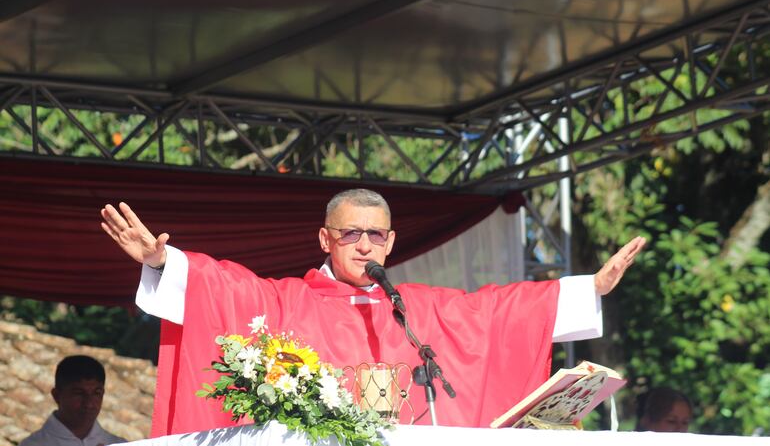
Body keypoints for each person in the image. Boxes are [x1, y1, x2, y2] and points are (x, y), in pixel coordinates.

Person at [100, 188, 646, 435]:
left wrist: (587, 288)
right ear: (325, 239)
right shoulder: (286, 301)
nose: (364, 246)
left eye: (375, 235)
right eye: (351, 234)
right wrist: (162, 261)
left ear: (390, 242)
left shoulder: (419, 311)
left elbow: (498, 313)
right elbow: (221, 288)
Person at [20, 355, 125, 446]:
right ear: (57, 395)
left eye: (96, 393)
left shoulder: (118, 443)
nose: (89, 404)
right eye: (79, 393)